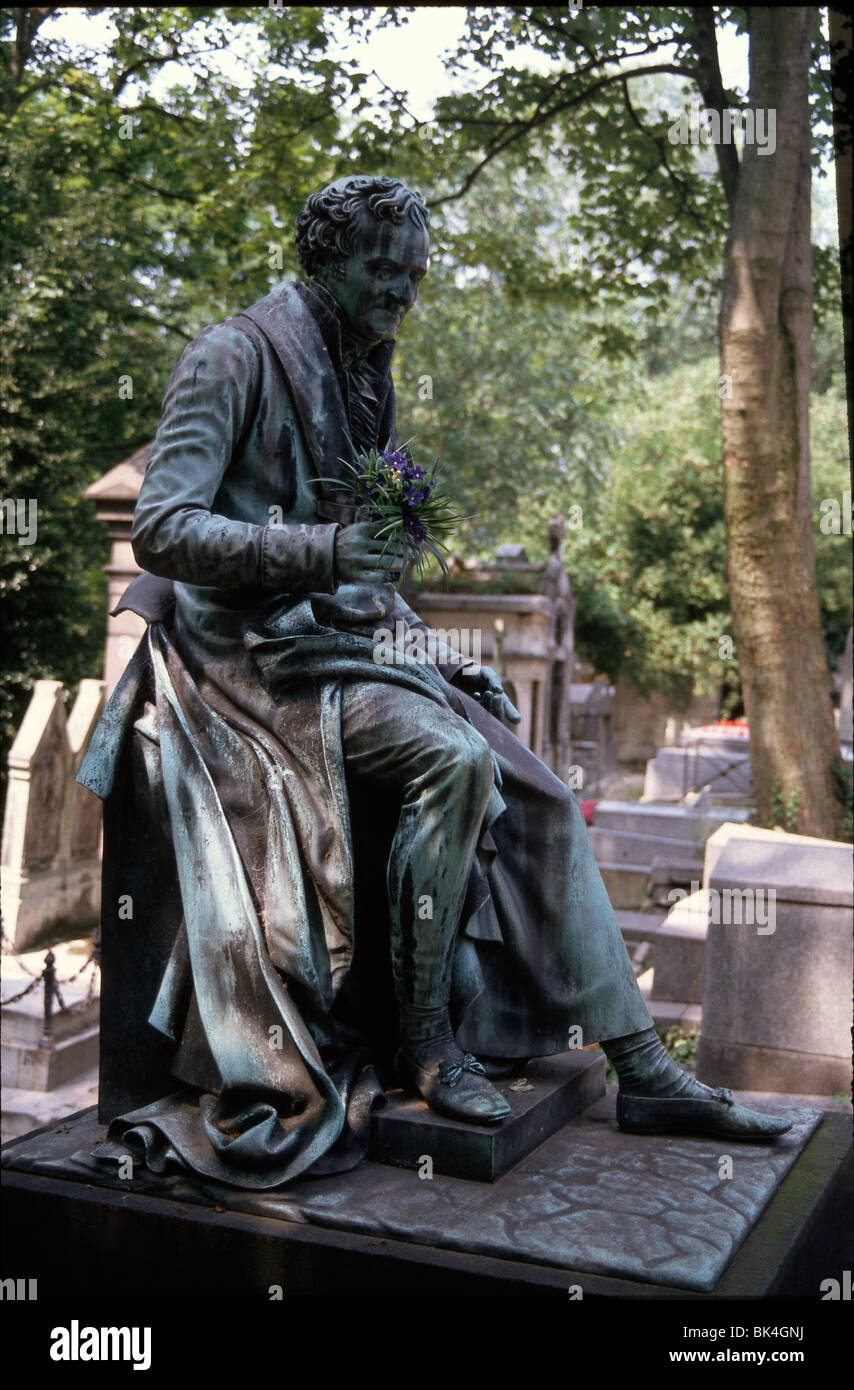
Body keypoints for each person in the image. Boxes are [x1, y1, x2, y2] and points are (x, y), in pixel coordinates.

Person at [77, 175, 791, 1190]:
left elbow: (373, 569)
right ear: (322, 257)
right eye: (382, 271)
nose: (399, 297)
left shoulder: (368, 373)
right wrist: (319, 549)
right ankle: (425, 1044)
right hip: (246, 667)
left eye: (411, 279)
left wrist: (442, 656)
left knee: (532, 779)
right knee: (449, 758)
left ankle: (637, 1061)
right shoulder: (232, 354)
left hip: (347, 647)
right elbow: (162, 528)